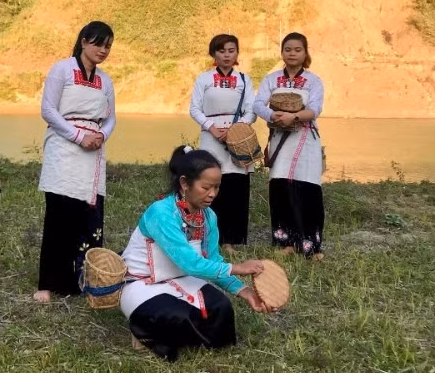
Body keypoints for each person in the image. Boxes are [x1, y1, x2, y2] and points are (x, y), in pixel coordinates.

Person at [119, 146, 273, 362]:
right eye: (206, 187)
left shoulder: (208, 217)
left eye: (217, 187)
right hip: (143, 284)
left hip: (184, 279)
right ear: (185, 183)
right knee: (177, 317)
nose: (212, 194)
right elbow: (191, 263)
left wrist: (245, 292)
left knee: (221, 309)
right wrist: (239, 268)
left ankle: (175, 337)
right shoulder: (161, 213)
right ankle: (143, 334)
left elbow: (212, 262)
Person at [34, 21, 116, 303]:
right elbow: (48, 110)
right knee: (60, 213)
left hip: (93, 150)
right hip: (64, 146)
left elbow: (111, 117)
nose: (103, 50)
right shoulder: (62, 69)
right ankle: (48, 282)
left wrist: (101, 135)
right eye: (98, 43)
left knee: (87, 215)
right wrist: (78, 136)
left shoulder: (106, 80)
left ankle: (86, 279)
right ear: (83, 41)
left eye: (107, 46)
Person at [253, 32, 325, 260]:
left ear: (305, 53)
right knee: (281, 188)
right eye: (288, 49)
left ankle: (311, 246)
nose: (292, 53)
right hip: (280, 140)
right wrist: (274, 115)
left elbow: (315, 109)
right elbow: (257, 104)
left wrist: (293, 118)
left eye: (297, 49)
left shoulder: (314, 81)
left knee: (308, 189)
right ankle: (285, 242)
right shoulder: (271, 79)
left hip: (305, 140)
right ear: (282, 52)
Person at [190, 34, 257, 255]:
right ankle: (210, 237)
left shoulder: (244, 80)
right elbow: (195, 109)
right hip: (212, 136)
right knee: (212, 186)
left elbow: (251, 111)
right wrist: (211, 126)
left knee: (237, 187)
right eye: (221, 51)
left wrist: (236, 129)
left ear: (237, 53)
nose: (227, 55)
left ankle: (232, 240)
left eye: (231, 50)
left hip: (237, 138)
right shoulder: (204, 78)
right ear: (213, 54)